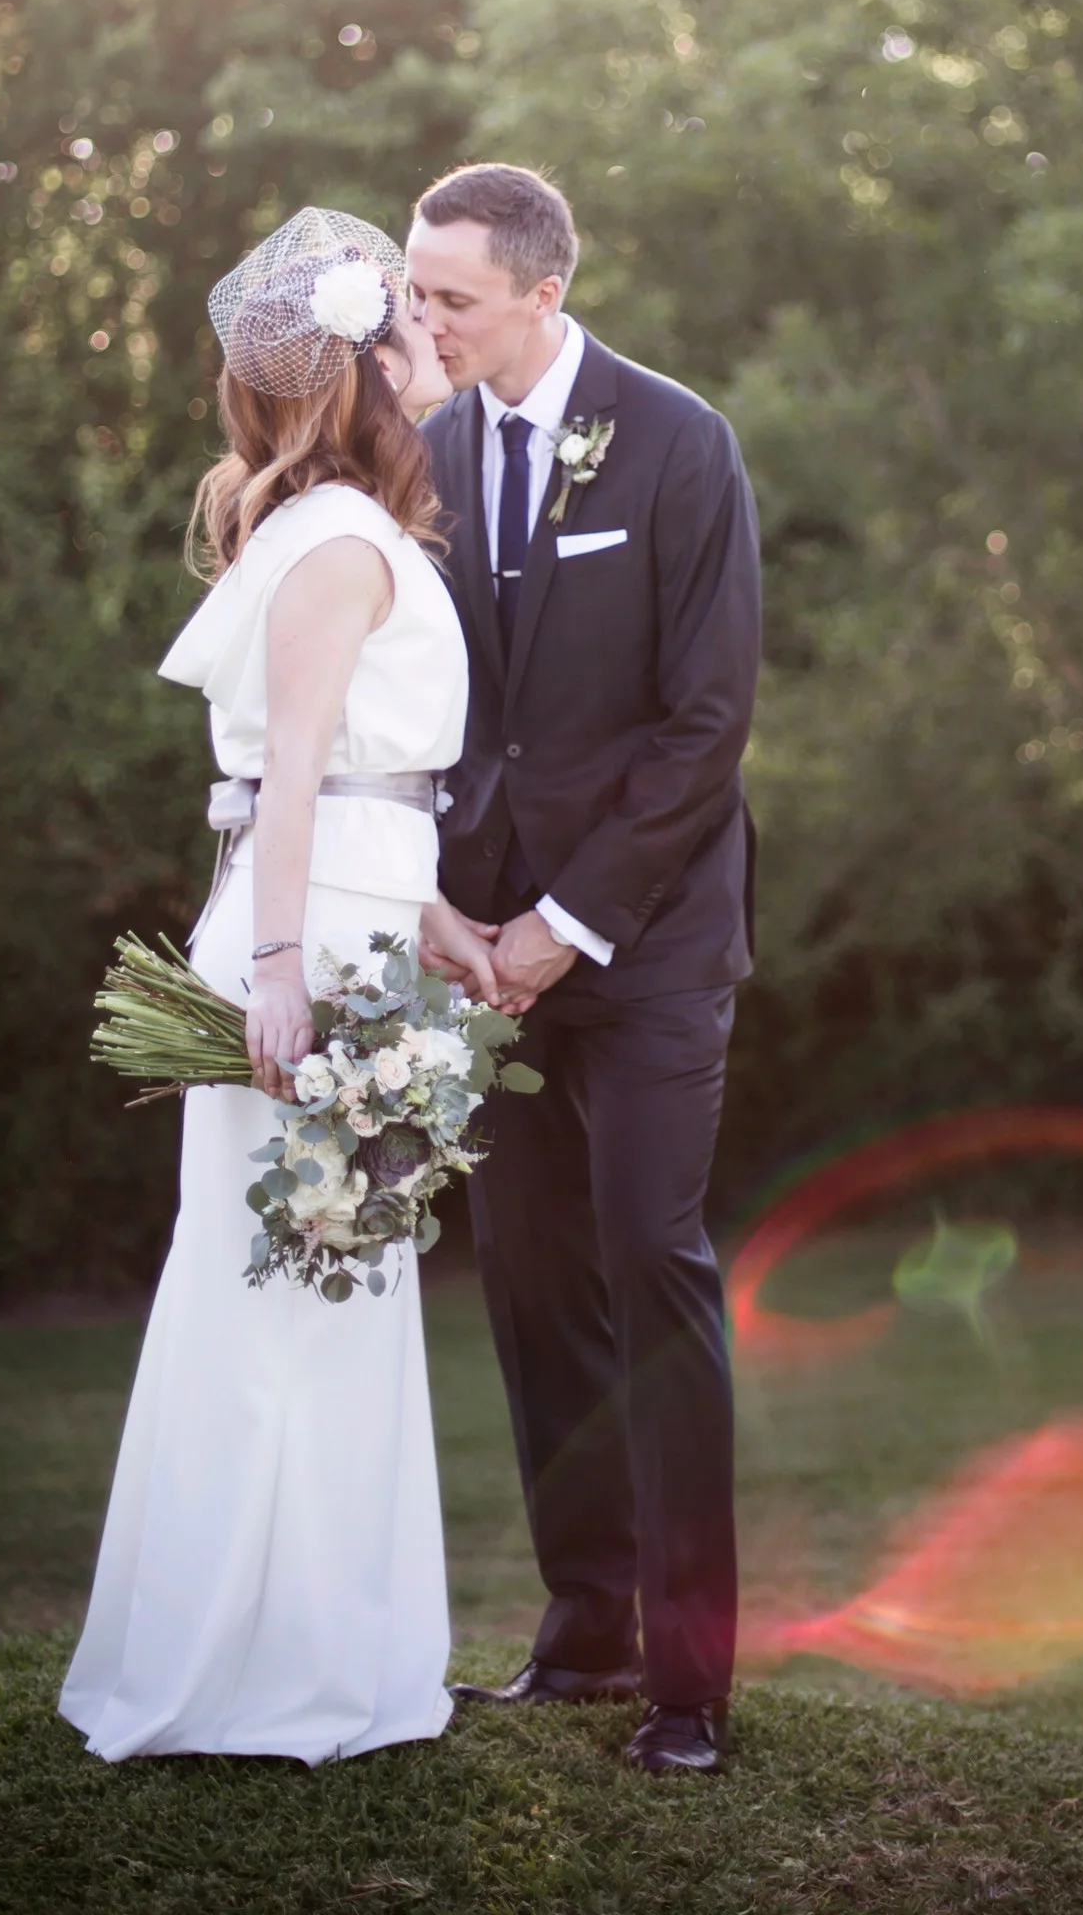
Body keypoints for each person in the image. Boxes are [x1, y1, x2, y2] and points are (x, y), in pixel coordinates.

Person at [61, 207, 499, 1764]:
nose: (432, 342)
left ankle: (326, 1659)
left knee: (337, 1295)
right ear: (363, 375)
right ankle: (241, 1680)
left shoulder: (347, 533)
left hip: (360, 929)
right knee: (278, 1296)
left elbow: (355, 784)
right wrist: (272, 979)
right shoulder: (329, 542)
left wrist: (435, 911)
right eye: (405, 331)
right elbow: (293, 778)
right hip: (304, 954)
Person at [410, 162, 760, 1779]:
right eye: (418, 295)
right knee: (535, 1283)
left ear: (545, 290)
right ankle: (586, 1626)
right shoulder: (425, 452)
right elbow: (422, 711)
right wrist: (460, 921)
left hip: (649, 944)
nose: (426, 324)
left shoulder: (679, 442)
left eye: (452, 300)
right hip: (484, 957)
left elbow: (707, 727)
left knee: (650, 1261)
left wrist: (572, 919)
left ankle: (691, 1685)